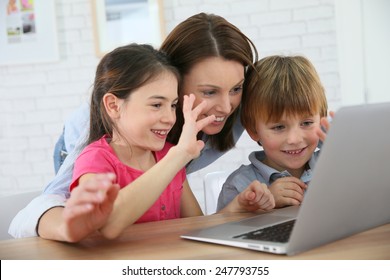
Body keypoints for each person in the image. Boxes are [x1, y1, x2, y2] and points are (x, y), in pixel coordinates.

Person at [10, 13, 276, 242]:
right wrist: (68, 226)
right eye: (209, 91)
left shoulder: (174, 148)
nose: (227, 107)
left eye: (236, 89)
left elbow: (194, 223)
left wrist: (235, 209)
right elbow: (58, 205)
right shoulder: (99, 148)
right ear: (174, 81)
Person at [217, 55, 328, 211]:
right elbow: (220, 231)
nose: (294, 139)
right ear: (254, 131)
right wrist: (263, 204)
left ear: (321, 120)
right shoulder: (239, 184)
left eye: (307, 123)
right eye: (279, 127)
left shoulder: (334, 166)